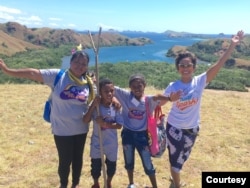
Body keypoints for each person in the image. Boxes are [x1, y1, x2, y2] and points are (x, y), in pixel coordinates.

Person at [0, 50, 95, 188]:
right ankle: (63, 184)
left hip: (81, 128)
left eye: (83, 64)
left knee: (77, 159)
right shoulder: (58, 76)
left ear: (87, 66)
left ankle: (75, 184)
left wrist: (115, 101)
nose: (79, 66)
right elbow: (33, 73)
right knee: (65, 160)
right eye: (76, 62)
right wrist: (9, 71)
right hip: (62, 130)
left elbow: (104, 93)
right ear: (70, 62)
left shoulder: (89, 82)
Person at [161, 30, 244, 188]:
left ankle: (174, 176)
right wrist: (170, 98)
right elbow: (159, 103)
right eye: (182, 65)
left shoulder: (200, 82)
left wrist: (232, 45)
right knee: (175, 160)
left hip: (192, 129)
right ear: (178, 68)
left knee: (182, 158)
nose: (186, 68)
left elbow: (219, 64)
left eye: (189, 65)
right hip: (174, 128)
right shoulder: (173, 86)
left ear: (194, 67)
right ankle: (176, 185)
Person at [114, 73, 177, 188]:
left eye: (139, 86)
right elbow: (110, 88)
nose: (137, 89)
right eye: (134, 86)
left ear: (144, 85)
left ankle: (154, 186)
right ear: (129, 87)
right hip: (127, 134)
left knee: (147, 163)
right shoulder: (125, 96)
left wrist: (169, 98)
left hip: (142, 136)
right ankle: (131, 183)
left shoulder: (148, 101)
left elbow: (157, 97)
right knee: (129, 161)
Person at [83, 78, 124, 188]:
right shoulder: (96, 106)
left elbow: (119, 125)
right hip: (97, 141)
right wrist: (92, 106)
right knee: (95, 165)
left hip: (111, 143)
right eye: (106, 91)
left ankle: (108, 181)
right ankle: (96, 183)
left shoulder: (116, 107)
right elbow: (85, 120)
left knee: (111, 166)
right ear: (100, 92)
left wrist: (105, 124)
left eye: (112, 91)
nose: (109, 94)